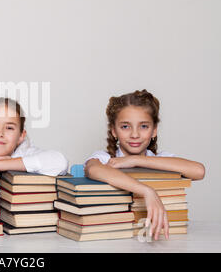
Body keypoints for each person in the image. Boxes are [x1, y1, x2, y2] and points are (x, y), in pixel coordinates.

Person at [84, 90, 205, 240]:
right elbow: (92, 169)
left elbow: (198, 171)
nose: (135, 135)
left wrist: (136, 160)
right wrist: (147, 191)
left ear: (154, 130)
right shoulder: (105, 158)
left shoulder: (161, 160)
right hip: (114, 236)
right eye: (125, 127)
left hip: (165, 238)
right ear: (114, 131)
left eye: (143, 126)